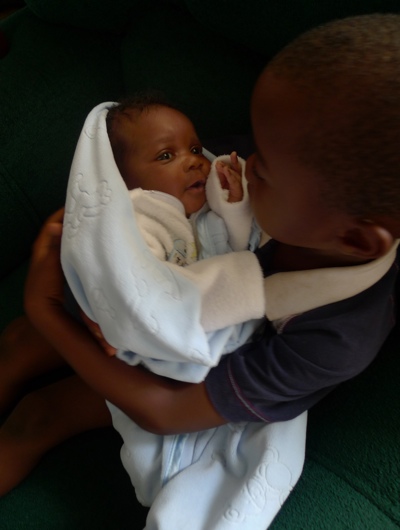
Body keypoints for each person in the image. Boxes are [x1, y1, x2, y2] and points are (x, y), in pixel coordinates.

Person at [1, 13, 400, 525]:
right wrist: (94, 240)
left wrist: (48, 310)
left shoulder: (335, 339)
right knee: (19, 343)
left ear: (356, 239)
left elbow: (165, 412)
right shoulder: (302, 180)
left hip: (189, 379)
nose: (240, 162)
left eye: (264, 169)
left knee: (39, 415)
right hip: (164, 293)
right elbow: (135, 197)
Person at [62, 95, 263, 379]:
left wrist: (234, 207)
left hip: (223, 336)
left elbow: (238, 249)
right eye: (166, 156)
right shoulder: (138, 220)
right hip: (161, 356)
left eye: (195, 149)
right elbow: (142, 296)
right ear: (120, 178)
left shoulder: (201, 210)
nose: (194, 161)